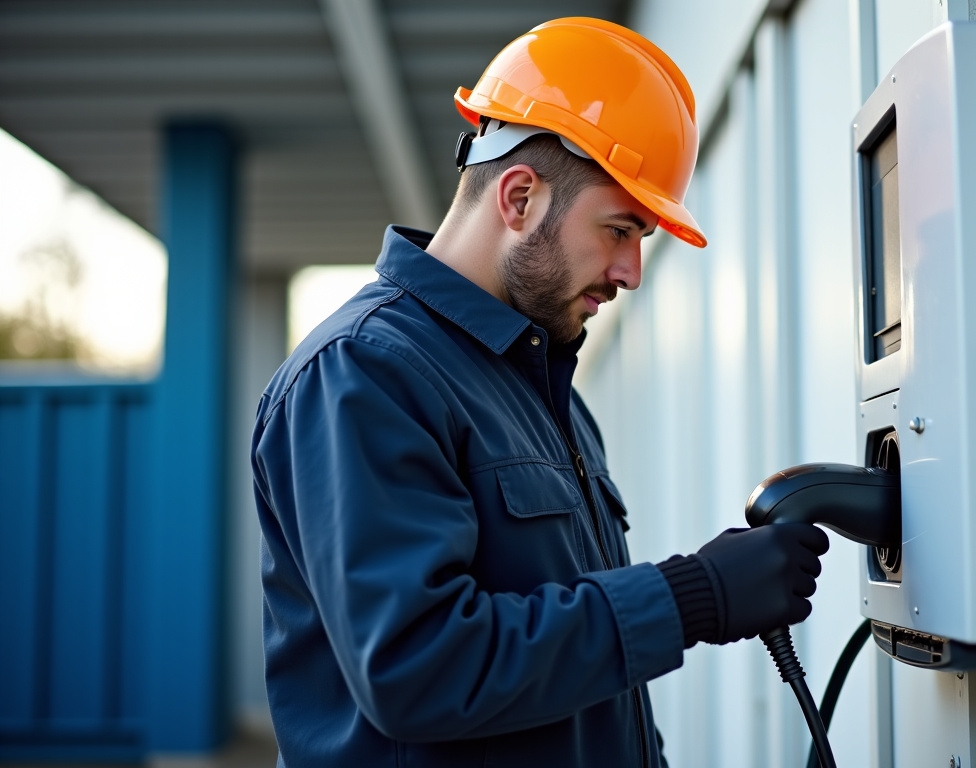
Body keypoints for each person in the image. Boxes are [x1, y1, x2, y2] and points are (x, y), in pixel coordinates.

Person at [251, 17, 829, 767]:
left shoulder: (546, 390)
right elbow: (415, 668)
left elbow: (590, 694)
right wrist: (690, 597)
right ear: (519, 197)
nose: (631, 273)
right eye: (619, 230)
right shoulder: (363, 373)